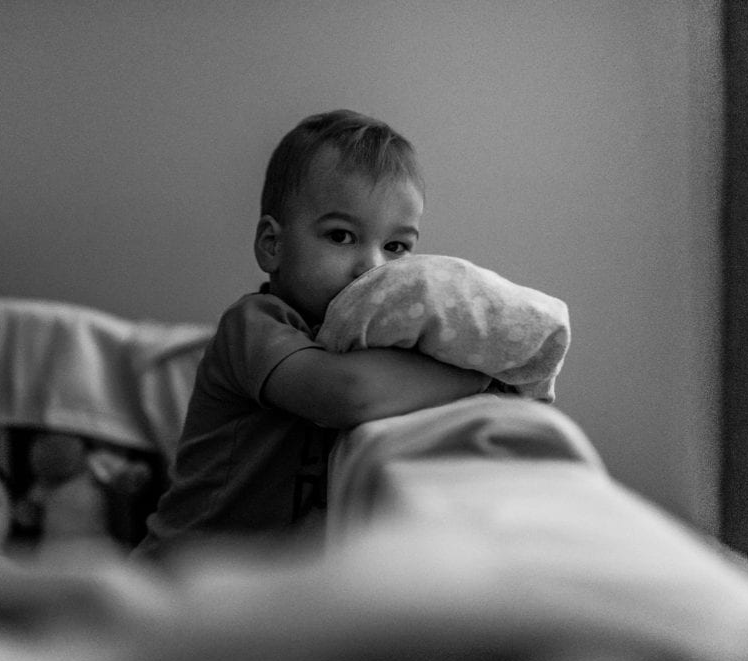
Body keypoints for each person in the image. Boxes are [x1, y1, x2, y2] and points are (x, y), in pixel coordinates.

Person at [134, 110, 489, 560]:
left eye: (396, 247)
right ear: (272, 245)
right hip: (181, 574)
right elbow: (347, 395)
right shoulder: (255, 324)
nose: (373, 268)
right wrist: (479, 377)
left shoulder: (371, 345)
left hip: (268, 594)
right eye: (342, 236)